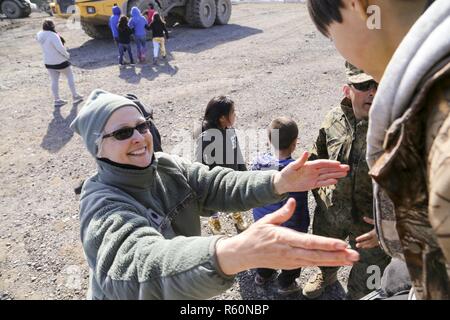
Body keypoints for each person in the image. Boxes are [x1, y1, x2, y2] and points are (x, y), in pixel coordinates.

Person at [70, 89, 359, 300]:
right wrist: (233, 252)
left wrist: (279, 181)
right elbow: (139, 264)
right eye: (122, 133)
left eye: (142, 126)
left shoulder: (166, 166)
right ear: (97, 147)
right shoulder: (101, 203)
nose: (138, 137)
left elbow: (218, 184)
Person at [307, 0, 450, 299]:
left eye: (333, 37)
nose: (371, 89)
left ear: (357, 6)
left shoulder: (436, 114)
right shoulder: (420, 99)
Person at [302, 63, 390, 300]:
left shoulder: (395, 129)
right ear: (347, 89)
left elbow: (415, 187)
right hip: (332, 215)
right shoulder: (333, 119)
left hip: (371, 227)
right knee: (325, 252)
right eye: (363, 85)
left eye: (378, 85)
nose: (372, 92)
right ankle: (327, 275)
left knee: (368, 286)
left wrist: (388, 225)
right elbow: (316, 156)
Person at [250, 117, 310, 295]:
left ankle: (262, 275)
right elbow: (297, 206)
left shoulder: (257, 162)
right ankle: (286, 283)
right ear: (294, 144)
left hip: (263, 223)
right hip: (288, 228)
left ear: (269, 140)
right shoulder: (296, 171)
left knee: (265, 251)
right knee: (291, 257)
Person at [194, 96, 247, 234]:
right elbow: (200, 163)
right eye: (233, 112)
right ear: (222, 118)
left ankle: (236, 213)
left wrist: (242, 170)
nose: (236, 115)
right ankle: (214, 219)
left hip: (232, 174)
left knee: (234, 196)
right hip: (215, 180)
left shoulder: (230, 130)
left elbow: (237, 151)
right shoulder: (206, 137)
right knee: (214, 202)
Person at [36, 19, 83, 107]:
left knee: (54, 80)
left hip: (48, 61)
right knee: (70, 76)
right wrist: (67, 55)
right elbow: (60, 48)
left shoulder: (39, 34)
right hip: (59, 61)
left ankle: (57, 100)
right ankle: (75, 95)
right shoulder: (53, 35)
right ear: (52, 26)